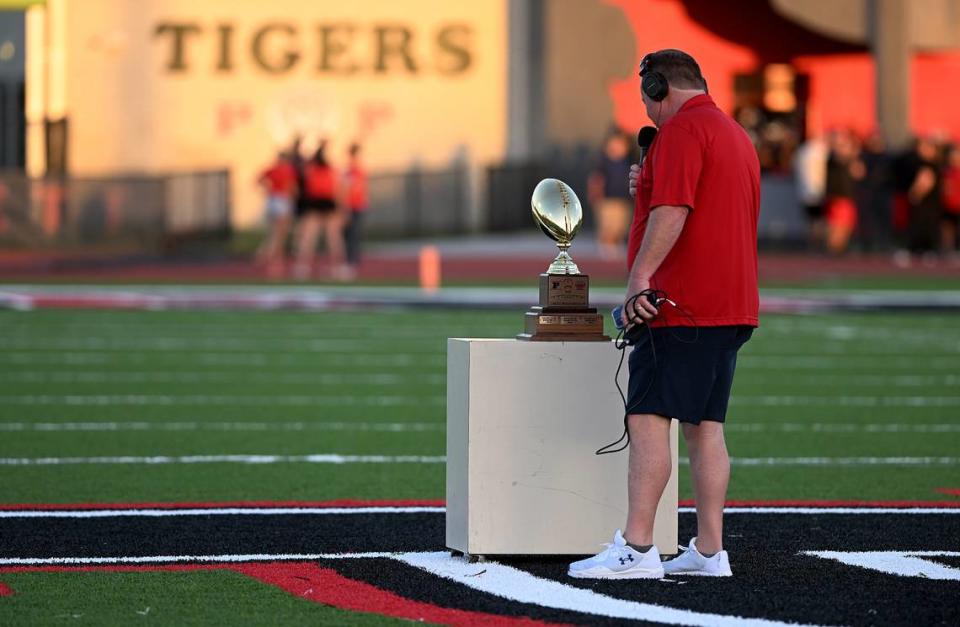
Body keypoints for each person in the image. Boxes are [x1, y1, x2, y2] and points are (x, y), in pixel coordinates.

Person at [568, 49, 760, 580]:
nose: (648, 112)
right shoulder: (734, 134)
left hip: (681, 304)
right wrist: (650, 184)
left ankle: (637, 546)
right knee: (706, 426)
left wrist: (637, 282)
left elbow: (674, 212)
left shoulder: (680, 131)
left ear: (659, 87)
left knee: (648, 417)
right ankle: (709, 550)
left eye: (647, 98)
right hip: (730, 304)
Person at [292, 140, 348, 280]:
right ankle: (337, 266)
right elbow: (339, 190)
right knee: (332, 237)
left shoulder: (311, 170)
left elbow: (301, 188)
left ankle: (302, 266)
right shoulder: (330, 170)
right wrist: (342, 209)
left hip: (317, 204)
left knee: (310, 237)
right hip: (326, 203)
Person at [587, 129, 634, 259]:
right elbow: (596, 179)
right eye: (614, 144)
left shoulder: (629, 161)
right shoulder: (603, 162)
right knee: (607, 226)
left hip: (623, 200)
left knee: (620, 226)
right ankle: (606, 252)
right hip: (607, 200)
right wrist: (595, 194)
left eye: (620, 144)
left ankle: (615, 246)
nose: (617, 147)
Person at [255, 150, 298, 277]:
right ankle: (275, 258)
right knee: (280, 233)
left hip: (271, 200)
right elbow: (292, 187)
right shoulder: (288, 170)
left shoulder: (272, 169)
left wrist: (267, 189)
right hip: (282, 200)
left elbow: (259, 180)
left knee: (273, 231)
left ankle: (266, 254)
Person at [341, 143, 369, 281]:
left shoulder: (356, 171)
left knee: (353, 234)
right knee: (350, 234)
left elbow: (352, 190)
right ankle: (351, 262)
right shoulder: (351, 171)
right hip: (352, 206)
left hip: (355, 206)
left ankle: (352, 263)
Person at [941, 144, 960, 259]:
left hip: (958, 205)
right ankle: (948, 251)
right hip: (948, 205)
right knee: (947, 229)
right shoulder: (946, 172)